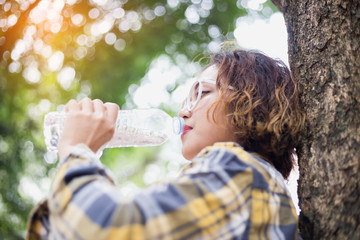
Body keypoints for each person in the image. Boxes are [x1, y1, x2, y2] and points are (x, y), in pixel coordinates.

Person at [26, 49, 305, 239]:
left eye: (203, 92)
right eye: (186, 100)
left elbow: (106, 230)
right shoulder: (247, 185)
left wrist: (76, 150)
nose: (184, 111)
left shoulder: (242, 174)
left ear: (251, 102)